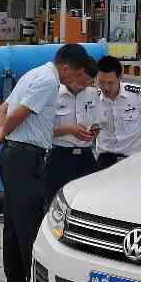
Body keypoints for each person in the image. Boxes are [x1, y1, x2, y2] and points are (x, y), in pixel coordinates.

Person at [0, 43, 96, 282]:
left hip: (15, 155)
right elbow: (17, 115)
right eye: (77, 75)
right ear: (66, 67)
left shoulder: (32, 74)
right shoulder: (48, 82)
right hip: (25, 158)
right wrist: (0, 138)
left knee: (14, 223)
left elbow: (2, 110)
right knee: (30, 224)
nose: (76, 81)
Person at [92, 55, 141, 170]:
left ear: (120, 77)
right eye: (101, 82)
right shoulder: (93, 98)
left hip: (133, 158)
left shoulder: (137, 93)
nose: (106, 88)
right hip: (105, 158)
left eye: (110, 83)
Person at [45, 69, 100, 206]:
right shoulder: (54, 94)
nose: (83, 86)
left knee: (87, 201)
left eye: (88, 83)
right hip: (59, 155)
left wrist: (94, 131)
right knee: (54, 201)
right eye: (82, 82)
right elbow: (42, 130)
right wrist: (70, 130)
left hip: (86, 156)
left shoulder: (93, 94)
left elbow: (96, 122)